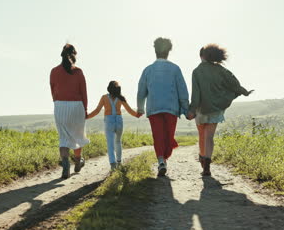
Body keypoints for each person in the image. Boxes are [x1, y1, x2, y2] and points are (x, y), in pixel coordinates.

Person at [187, 44, 254, 176]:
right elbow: (233, 83)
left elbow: (195, 93)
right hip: (216, 108)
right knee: (209, 137)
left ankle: (202, 157)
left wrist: (192, 109)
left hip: (201, 109)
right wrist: (244, 92)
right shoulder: (221, 70)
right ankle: (207, 165)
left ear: (201, 56)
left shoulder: (197, 71)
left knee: (202, 135)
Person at [137, 37, 189, 176]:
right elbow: (182, 90)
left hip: (154, 108)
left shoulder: (148, 70)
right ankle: (163, 159)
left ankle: (161, 160)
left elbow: (141, 90)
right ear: (169, 51)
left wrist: (140, 107)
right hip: (171, 108)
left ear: (155, 50)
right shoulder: (175, 69)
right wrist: (186, 109)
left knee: (158, 135)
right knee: (168, 136)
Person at [50, 44, 90, 179]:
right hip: (76, 106)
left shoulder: (54, 71)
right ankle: (78, 161)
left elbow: (53, 91)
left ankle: (65, 163)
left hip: (60, 106)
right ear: (74, 55)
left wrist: (58, 103)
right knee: (77, 135)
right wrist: (85, 109)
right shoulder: (78, 71)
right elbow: (83, 92)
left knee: (64, 138)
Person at [87, 81, 141, 169]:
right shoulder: (121, 98)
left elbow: (97, 111)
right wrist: (137, 115)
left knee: (110, 144)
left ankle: (113, 164)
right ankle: (119, 162)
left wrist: (87, 116)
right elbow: (129, 110)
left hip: (109, 120)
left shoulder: (104, 98)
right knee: (118, 141)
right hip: (119, 120)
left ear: (109, 88)